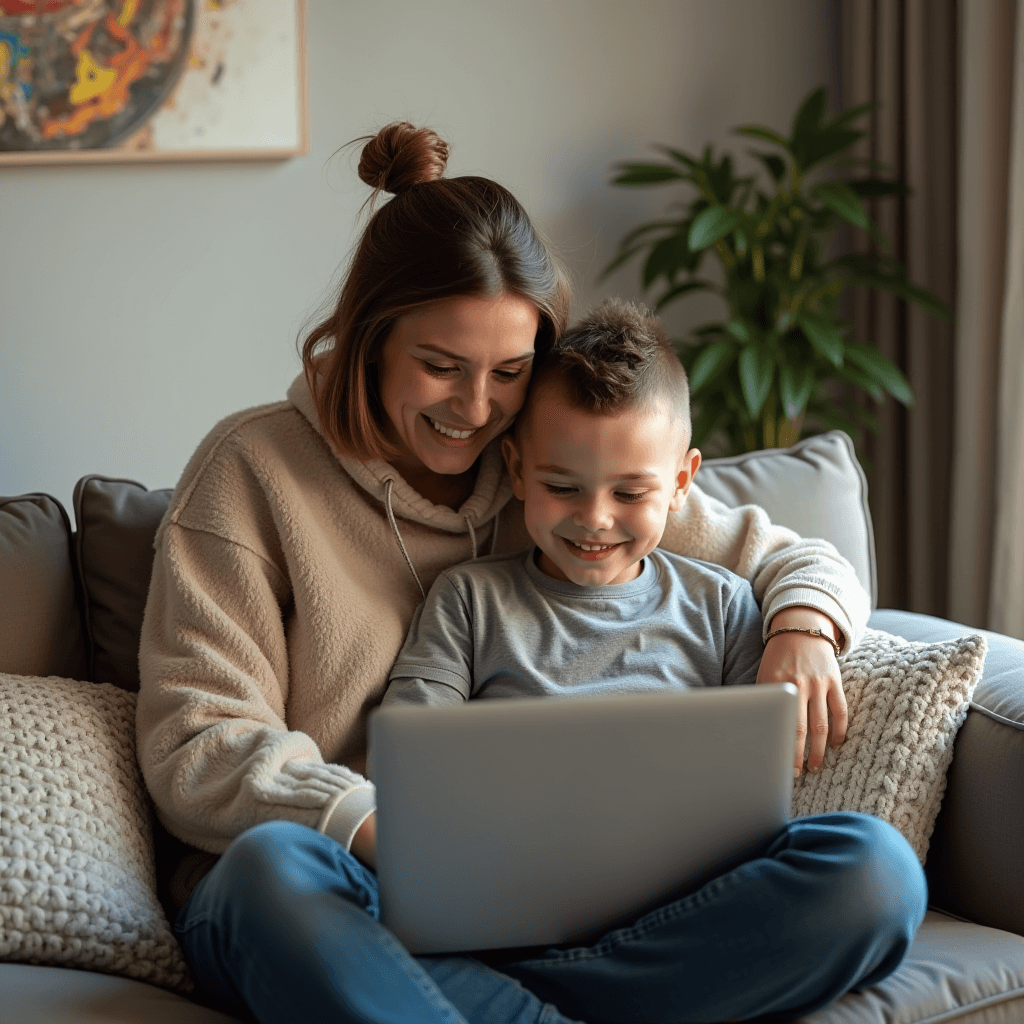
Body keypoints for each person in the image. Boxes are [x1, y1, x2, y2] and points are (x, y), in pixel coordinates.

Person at [136, 122, 916, 1024]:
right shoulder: (249, 472)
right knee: (270, 876)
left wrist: (803, 626)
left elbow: (789, 558)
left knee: (871, 872)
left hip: (589, 901)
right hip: (354, 887)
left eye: (509, 371)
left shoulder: (555, 467)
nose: (475, 410)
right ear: (368, 338)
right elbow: (197, 745)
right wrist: (391, 829)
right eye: (440, 366)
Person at [382, 298, 767, 712]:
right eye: (563, 488)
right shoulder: (469, 602)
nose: (595, 519)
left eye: (629, 494)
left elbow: (766, 751)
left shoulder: (723, 608)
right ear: (517, 469)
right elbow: (410, 743)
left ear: (680, 483)